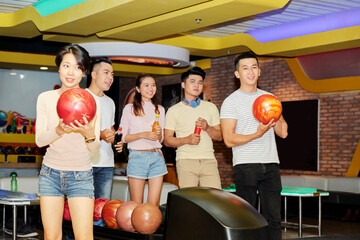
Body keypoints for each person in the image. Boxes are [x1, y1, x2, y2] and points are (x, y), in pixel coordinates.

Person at [220, 52, 288, 240]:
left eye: (254, 67)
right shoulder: (231, 102)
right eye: (245, 68)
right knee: (247, 219)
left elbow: (283, 132)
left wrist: (276, 114)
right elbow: (228, 139)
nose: (250, 71)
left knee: (274, 219)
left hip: (271, 163)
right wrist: (257, 134)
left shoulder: (270, 98)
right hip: (245, 165)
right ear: (237, 74)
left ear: (259, 71)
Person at [35, 44, 100, 240]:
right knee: (52, 236)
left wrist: (89, 134)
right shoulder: (45, 98)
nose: (71, 72)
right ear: (59, 68)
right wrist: (58, 130)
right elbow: (39, 141)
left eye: (78, 67)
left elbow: (95, 148)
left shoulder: (91, 101)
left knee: (84, 236)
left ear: (84, 72)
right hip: (50, 174)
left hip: (80, 175)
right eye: (66, 66)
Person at [164, 67, 222, 189]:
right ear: (183, 84)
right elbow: (167, 140)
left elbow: (220, 136)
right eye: (192, 81)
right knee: (189, 202)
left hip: (209, 160)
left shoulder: (211, 107)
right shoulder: (173, 110)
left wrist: (208, 128)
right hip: (185, 161)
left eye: (200, 82)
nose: (197, 85)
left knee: (215, 200)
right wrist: (186, 140)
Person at [119, 73, 167, 206]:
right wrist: (143, 135)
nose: (150, 88)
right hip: (137, 156)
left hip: (157, 156)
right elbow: (122, 136)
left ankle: (151, 228)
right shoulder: (129, 109)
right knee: (136, 204)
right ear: (138, 89)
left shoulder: (160, 109)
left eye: (153, 85)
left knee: (153, 205)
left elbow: (161, 139)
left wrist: (158, 135)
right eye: (146, 85)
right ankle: (135, 228)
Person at [86, 57, 123, 200]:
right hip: (85, 163)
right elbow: (76, 130)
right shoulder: (82, 97)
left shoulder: (110, 102)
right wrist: (99, 134)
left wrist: (116, 140)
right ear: (94, 75)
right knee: (83, 209)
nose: (110, 77)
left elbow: (110, 128)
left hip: (107, 163)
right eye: (106, 72)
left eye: (112, 74)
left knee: (102, 210)